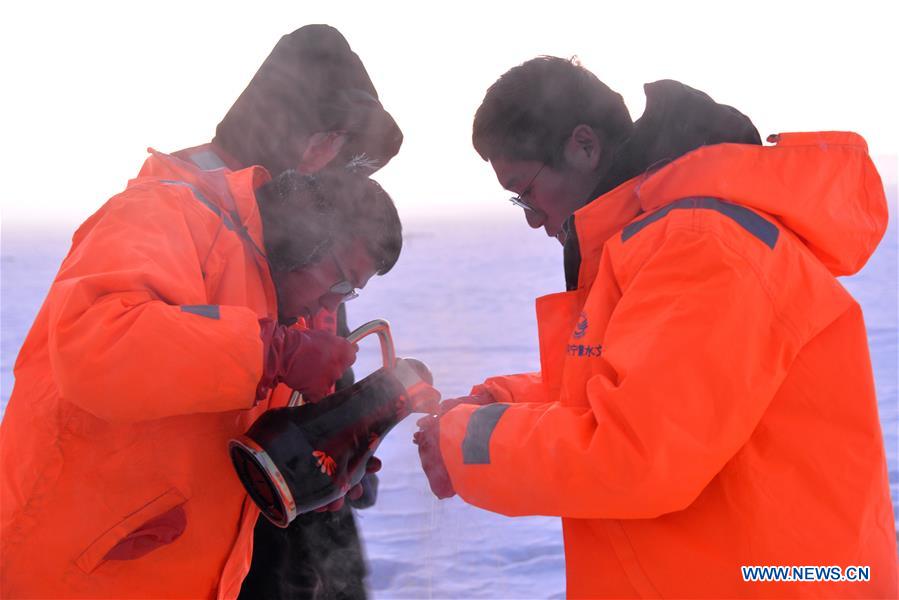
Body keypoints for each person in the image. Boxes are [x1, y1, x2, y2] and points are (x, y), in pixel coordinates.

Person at [415, 56, 898, 598]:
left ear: (583, 145)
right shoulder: (661, 241)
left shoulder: (700, 243)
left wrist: (468, 444)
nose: (530, 217)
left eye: (525, 190)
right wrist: (500, 402)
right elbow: (640, 392)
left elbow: (638, 453)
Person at [0, 25, 403, 599]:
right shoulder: (165, 210)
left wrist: (324, 455)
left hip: (199, 565)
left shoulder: (271, 256)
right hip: (84, 570)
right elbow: (96, 343)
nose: (340, 189)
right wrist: (276, 353)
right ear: (311, 142)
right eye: (344, 160)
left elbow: (228, 426)